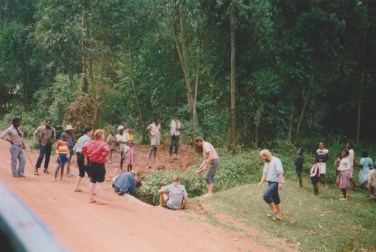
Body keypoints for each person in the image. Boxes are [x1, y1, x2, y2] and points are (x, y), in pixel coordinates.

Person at [82, 129, 110, 205]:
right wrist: (101, 156)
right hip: (99, 164)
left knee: (92, 180)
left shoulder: (91, 142)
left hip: (91, 163)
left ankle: (91, 198)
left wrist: (88, 156)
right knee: (100, 182)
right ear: (101, 135)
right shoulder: (103, 143)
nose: (104, 135)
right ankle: (100, 200)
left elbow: (83, 148)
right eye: (103, 134)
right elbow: (107, 151)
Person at [258, 149, 284, 221]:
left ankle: (274, 209)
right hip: (270, 182)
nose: (262, 159)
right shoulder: (266, 162)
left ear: (266, 155)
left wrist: (280, 183)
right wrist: (261, 182)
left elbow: (280, 172)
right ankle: (279, 215)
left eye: (262, 157)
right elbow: (265, 174)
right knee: (276, 198)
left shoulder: (276, 161)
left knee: (266, 196)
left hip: (276, 182)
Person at [73, 126, 93, 192]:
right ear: (88, 131)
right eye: (91, 131)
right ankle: (91, 190)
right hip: (84, 156)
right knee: (90, 174)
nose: (92, 132)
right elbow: (85, 149)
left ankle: (76, 187)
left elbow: (75, 148)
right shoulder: (87, 139)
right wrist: (86, 159)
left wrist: (76, 158)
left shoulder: (80, 138)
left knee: (81, 173)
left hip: (79, 156)